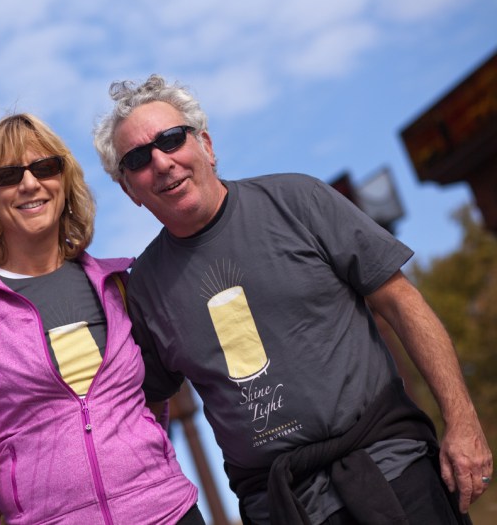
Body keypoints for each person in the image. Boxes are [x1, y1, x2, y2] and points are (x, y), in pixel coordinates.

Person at [92, 75, 493, 525]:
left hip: (393, 471)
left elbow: (401, 300)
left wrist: (463, 422)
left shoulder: (297, 200)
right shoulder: (144, 289)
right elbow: (139, 406)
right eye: (138, 159)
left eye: (171, 139)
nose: (162, 162)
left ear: (205, 144)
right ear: (129, 189)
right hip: (280, 507)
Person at [0, 113, 203, 524]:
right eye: (7, 175)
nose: (29, 184)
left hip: (169, 512)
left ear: (65, 179)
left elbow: (154, 403)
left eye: (44, 167)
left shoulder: (119, 285)